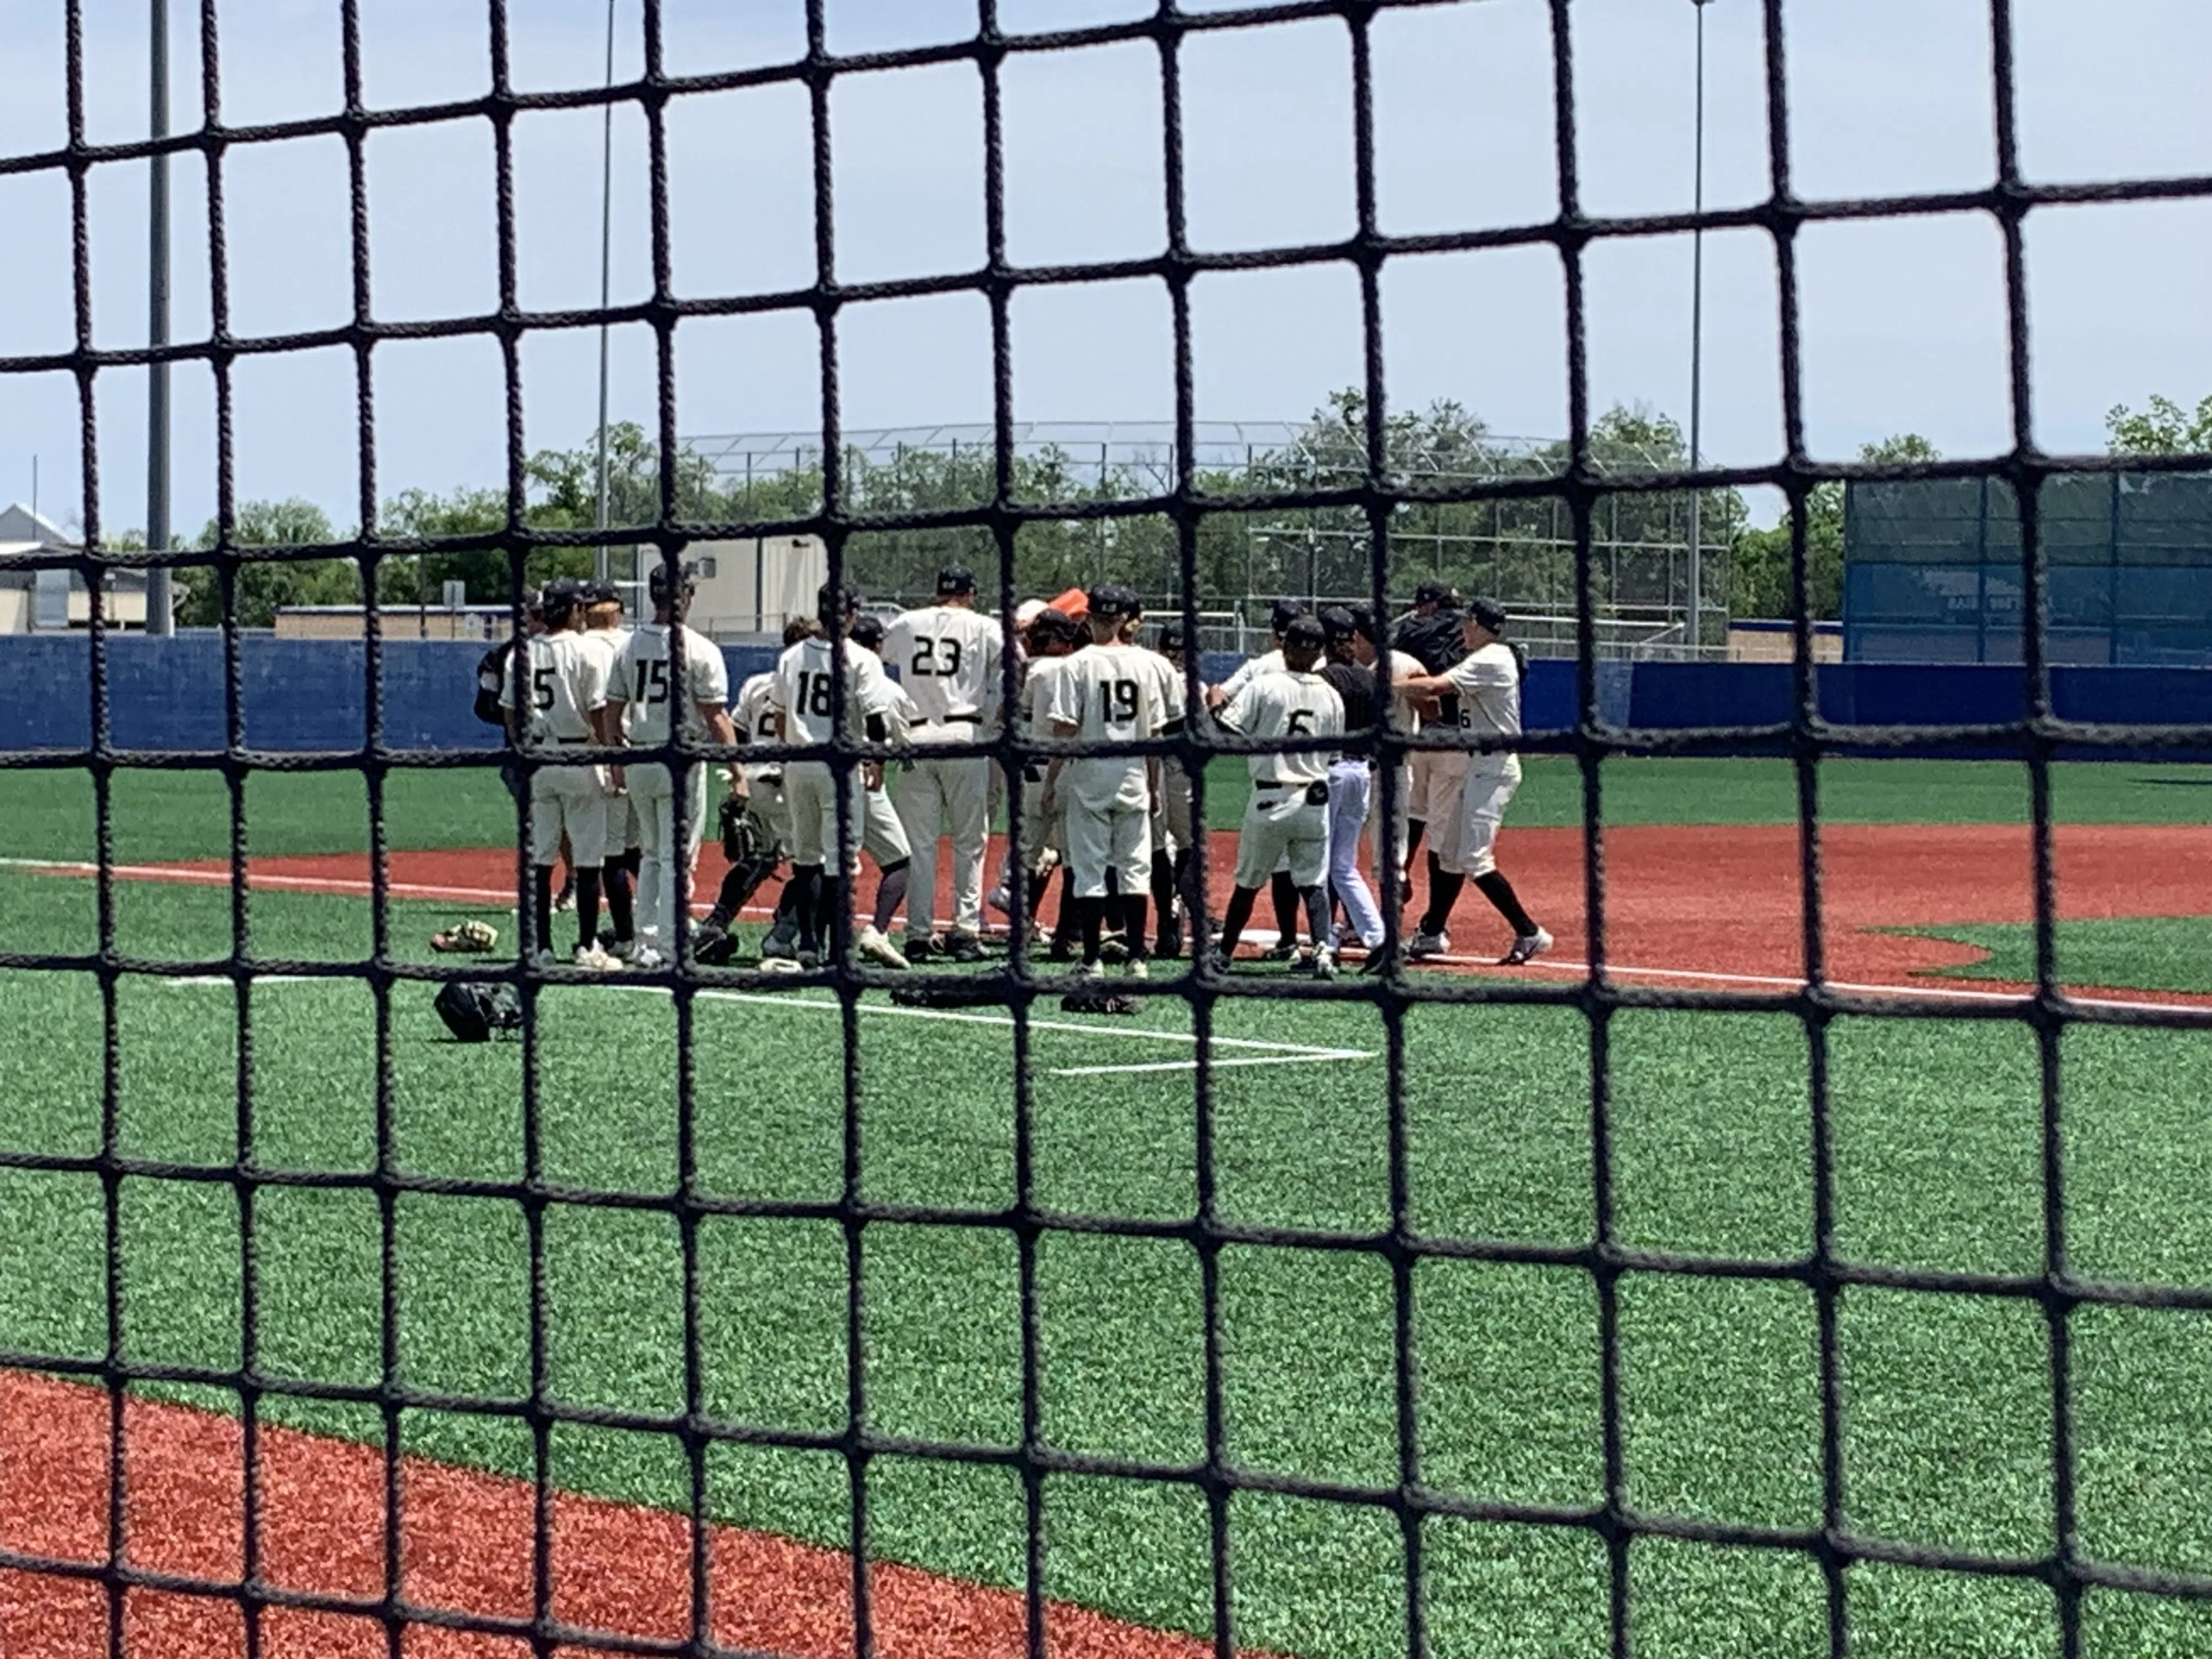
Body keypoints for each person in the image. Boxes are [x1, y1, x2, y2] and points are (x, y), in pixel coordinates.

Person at [1393, 596, 1553, 966]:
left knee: (1473, 858)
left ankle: (1530, 933)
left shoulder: (1492, 657)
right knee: (1448, 853)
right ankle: (1432, 933)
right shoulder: (1486, 657)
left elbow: (1433, 688)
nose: (1463, 629)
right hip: (1477, 764)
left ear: (1481, 627)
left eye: (1468, 624)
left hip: (1494, 767)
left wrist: (1388, 684)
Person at [769, 583, 912, 971]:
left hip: (799, 760)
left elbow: (780, 714)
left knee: (807, 859)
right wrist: (878, 762)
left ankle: (809, 944)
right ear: (849, 614)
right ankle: (836, 951)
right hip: (838, 763)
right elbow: (876, 718)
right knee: (839, 860)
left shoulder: (792, 655)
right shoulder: (860, 658)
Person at [606, 561, 735, 969]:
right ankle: (668, 944)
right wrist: (738, 770)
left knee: (652, 855)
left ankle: (646, 942)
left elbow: (612, 710)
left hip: (641, 752)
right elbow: (715, 716)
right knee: (677, 857)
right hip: (680, 759)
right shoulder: (699, 647)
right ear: (686, 596)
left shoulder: (628, 644)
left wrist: (617, 757)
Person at [1209, 614, 1346, 977]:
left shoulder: (1266, 685)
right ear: (1319, 652)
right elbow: (1333, 757)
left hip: (1271, 796)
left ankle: (1223, 955)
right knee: (1313, 882)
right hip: (1315, 798)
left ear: (1283, 645)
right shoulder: (1332, 696)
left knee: (1249, 881)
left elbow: (1229, 730)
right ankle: (1322, 952)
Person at [498, 580, 620, 968]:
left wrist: (522, 749)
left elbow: (509, 710)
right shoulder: (587, 651)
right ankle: (587, 944)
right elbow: (599, 712)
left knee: (541, 859)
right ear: (573, 611)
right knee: (587, 860)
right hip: (578, 756)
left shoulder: (520, 654)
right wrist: (612, 759)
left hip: (538, 759)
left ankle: (540, 947)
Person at [883, 565, 1003, 962]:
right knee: (970, 841)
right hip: (964, 737)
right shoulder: (984, 626)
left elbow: (879, 656)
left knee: (920, 846)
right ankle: (965, 932)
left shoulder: (906, 622)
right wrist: (992, 713)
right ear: (970, 593)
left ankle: (917, 935)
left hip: (916, 738)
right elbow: (1013, 668)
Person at [1044, 585, 1163, 979]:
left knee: (1090, 867)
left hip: (1091, 770)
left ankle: (1092, 958)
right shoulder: (1149, 664)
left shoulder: (1076, 664)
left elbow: (1064, 728)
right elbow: (1154, 737)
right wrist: (1154, 783)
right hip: (1132, 769)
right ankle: (1137, 958)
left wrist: (1050, 781)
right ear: (1124, 621)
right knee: (1134, 867)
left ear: (1090, 619)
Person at [694, 616, 813, 968]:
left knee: (758, 860)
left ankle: (717, 921)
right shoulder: (804, 683)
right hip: (788, 782)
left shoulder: (757, 683)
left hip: (755, 779)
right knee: (810, 864)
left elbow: (740, 736)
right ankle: (782, 935)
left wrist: (739, 777)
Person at [1209, 597, 1312, 959]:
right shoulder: (1323, 666)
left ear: (1275, 632)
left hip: (1271, 783)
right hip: (1317, 783)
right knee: (1310, 873)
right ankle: (1306, 944)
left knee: (1251, 876)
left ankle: (1224, 954)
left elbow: (1217, 695)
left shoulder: (1262, 667)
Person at [1316, 607, 1388, 964]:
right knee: (1343, 865)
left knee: (1320, 862)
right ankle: (1377, 937)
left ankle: (1326, 943)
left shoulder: (1324, 678)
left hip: (1331, 770)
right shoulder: (1369, 678)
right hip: (1362, 771)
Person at [1392, 580, 1469, 918]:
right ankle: (1435, 924)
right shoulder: (1471, 634)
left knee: (1410, 817)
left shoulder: (1411, 629)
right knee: (1444, 833)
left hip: (1417, 734)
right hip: (1455, 735)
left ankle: (1395, 886)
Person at [577, 578, 641, 957]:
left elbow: (598, 712)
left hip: (608, 754)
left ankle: (627, 935)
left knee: (612, 855)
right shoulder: (639, 642)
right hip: (652, 755)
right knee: (649, 852)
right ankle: (670, 922)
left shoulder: (582, 646)